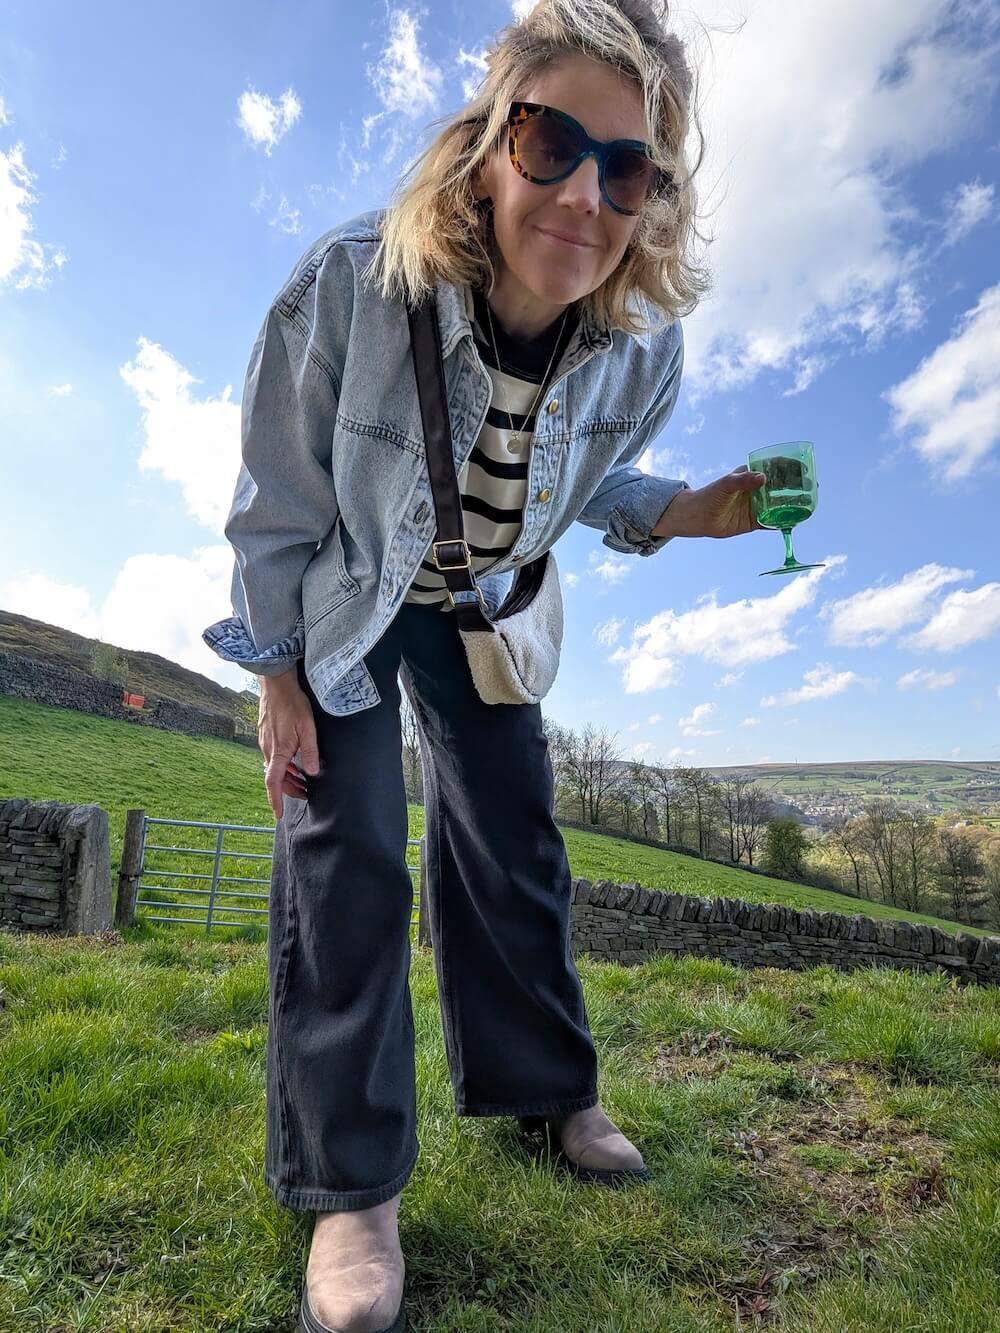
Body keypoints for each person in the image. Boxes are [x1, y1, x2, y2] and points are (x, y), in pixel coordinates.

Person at [203, 2, 765, 1329]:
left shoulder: (644, 346)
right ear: (486, 143)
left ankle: (548, 1089)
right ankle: (353, 1194)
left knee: (514, 844)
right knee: (348, 856)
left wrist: (684, 510)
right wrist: (277, 671)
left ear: (653, 199)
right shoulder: (352, 280)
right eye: (551, 141)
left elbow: (594, 476)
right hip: (351, 600)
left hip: (488, 611)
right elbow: (278, 494)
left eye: (627, 168)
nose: (584, 191)